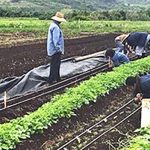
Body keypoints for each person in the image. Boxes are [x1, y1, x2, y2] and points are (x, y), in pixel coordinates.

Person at [47, 12, 66, 84]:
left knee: (55, 64)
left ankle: (58, 78)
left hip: (52, 49)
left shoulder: (52, 25)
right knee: (55, 65)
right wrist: (59, 49)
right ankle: (50, 80)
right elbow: (56, 40)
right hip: (55, 50)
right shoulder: (55, 27)